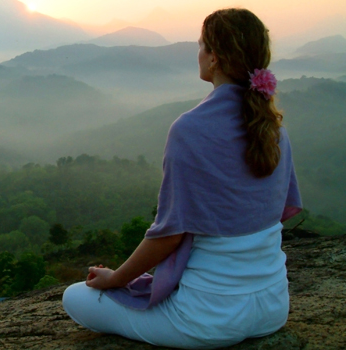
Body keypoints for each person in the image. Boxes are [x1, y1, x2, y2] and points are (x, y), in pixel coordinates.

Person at [62, 8, 302, 349]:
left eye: (202, 45)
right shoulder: (274, 129)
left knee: (75, 297)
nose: (199, 53)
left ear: (215, 58)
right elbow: (274, 212)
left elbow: (168, 237)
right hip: (273, 309)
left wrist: (116, 278)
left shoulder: (190, 129)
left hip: (207, 320)